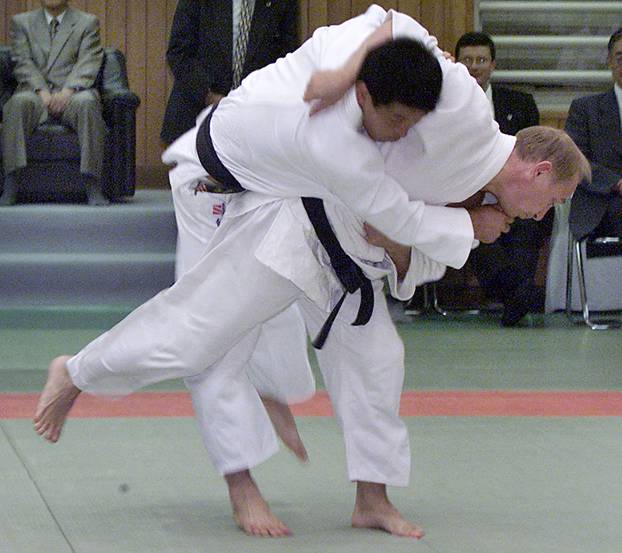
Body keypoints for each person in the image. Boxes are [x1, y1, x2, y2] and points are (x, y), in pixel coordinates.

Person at [34, 6, 589, 540]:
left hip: (318, 206)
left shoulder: (437, 128)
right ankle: (78, 371)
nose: (543, 216)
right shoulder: (439, 112)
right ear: (538, 171)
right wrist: (468, 226)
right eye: (552, 200)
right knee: (200, 334)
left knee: (376, 355)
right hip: (242, 181)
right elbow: (388, 219)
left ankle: (372, 497)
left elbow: (396, 37)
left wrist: (464, 221)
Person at [455, 31, 553, 325]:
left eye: (481, 60)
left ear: (493, 64)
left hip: (515, 191)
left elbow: (534, 155)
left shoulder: (520, 104)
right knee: (476, 226)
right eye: (467, 60)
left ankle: (515, 295)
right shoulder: (440, 104)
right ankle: (518, 294)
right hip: (465, 192)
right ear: (457, 64)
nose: (474, 66)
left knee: (531, 221)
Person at [0, 0, 107, 206]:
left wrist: (67, 91)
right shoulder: (22, 22)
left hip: (73, 93)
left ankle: (92, 183)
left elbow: (88, 61)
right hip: (36, 93)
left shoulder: (87, 23)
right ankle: (11, 182)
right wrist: (43, 92)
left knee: (88, 103)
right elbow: (23, 62)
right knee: (17, 103)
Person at [160, 0, 298, 145]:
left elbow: (287, 62)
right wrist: (208, 96)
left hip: (253, 125)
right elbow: (178, 52)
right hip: (196, 117)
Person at [565, 27, 622, 240]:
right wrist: (617, 182)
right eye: (620, 58)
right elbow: (575, 160)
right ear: (609, 61)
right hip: (602, 201)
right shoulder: (585, 109)